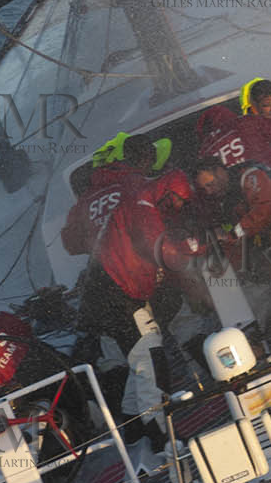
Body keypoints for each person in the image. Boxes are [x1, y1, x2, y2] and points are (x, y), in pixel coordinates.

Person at [75, 170, 205, 448]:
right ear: (167, 192)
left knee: (140, 361)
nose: (180, 207)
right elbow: (162, 251)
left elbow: (71, 240)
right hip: (116, 293)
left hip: (108, 291)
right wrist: (195, 247)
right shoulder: (143, 206)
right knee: (151, 359)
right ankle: (160, 434)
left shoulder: (136, 202)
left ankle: (135, 429)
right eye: (179, 200)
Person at [60, 137, 154, 256]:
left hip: (108, 269)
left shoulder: (85, 201)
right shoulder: (137, 185)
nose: (149, 163)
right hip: (146, 263)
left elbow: (70, 243)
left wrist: (99, 244)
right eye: (148, 157)